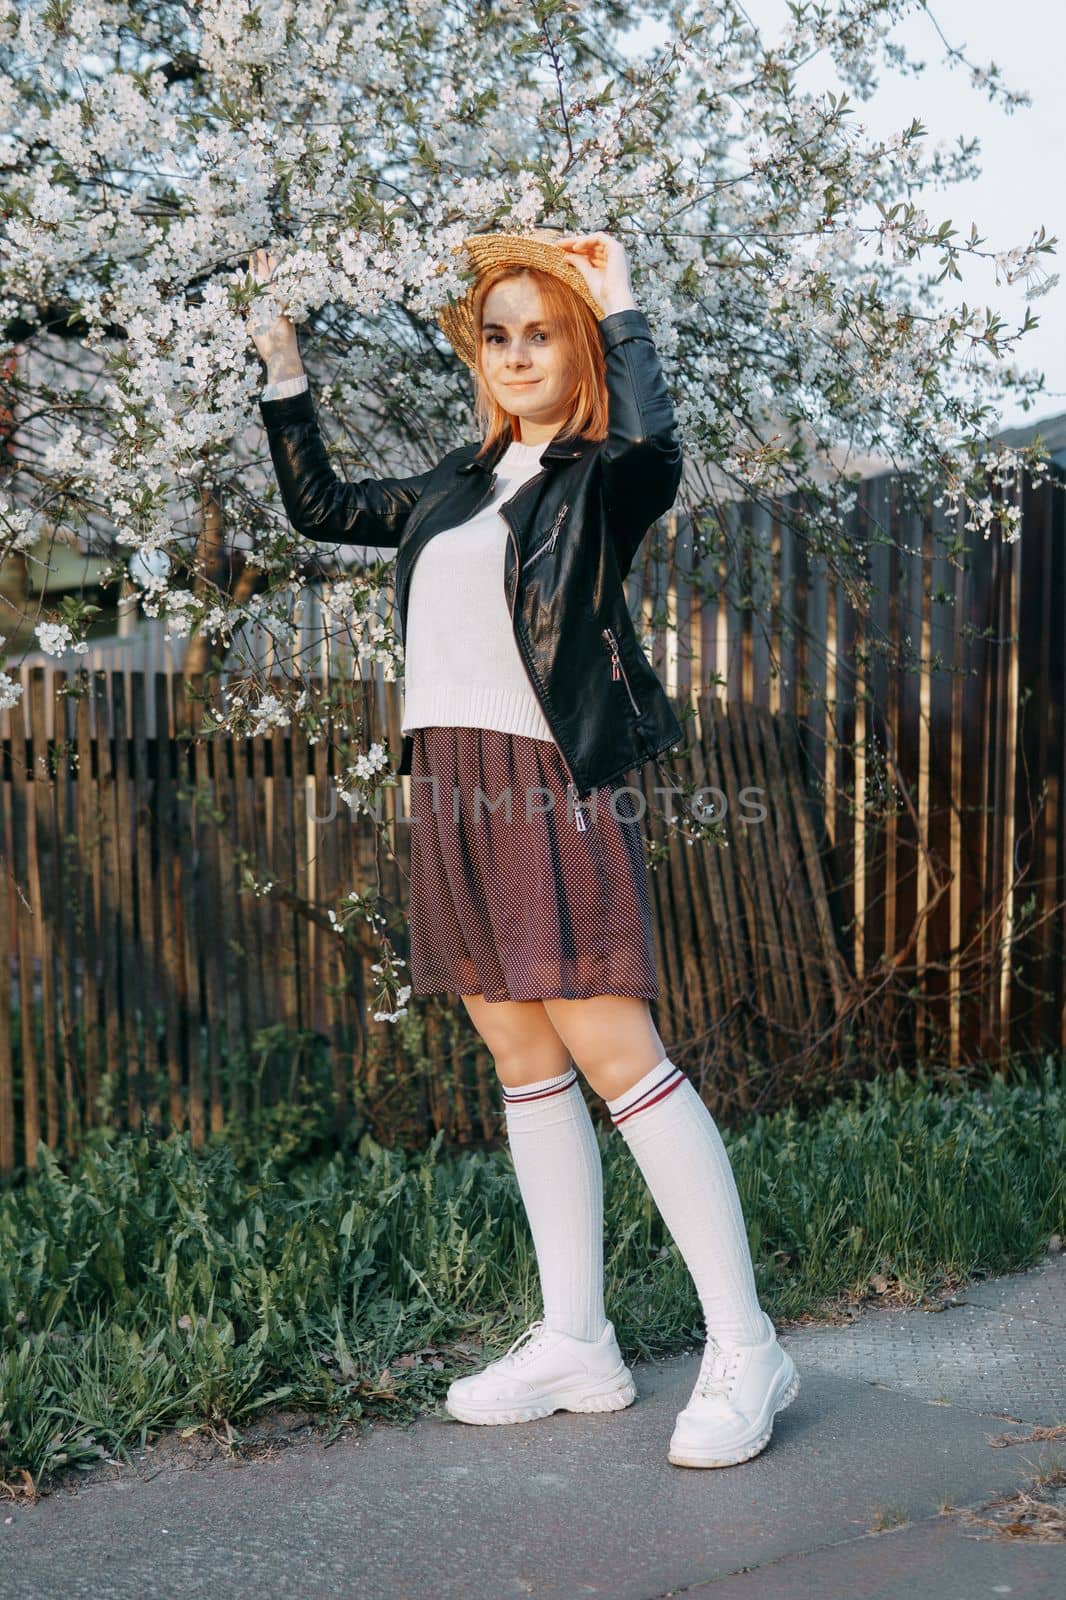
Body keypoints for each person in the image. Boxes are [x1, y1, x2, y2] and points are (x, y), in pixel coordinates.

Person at [246, 226, 799, 1468]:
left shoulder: (601, 477)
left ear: (579, 348)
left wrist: (624, 304)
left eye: (538, 332)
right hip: (445, 778)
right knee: (516, 1044)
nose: (513, 354)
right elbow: (324, 505)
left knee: (616, 1047)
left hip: (547, 778)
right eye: (495, 335)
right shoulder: (455, 482)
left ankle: (749, 1344)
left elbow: (661, 449)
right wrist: (283, 365)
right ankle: (577, 1341)